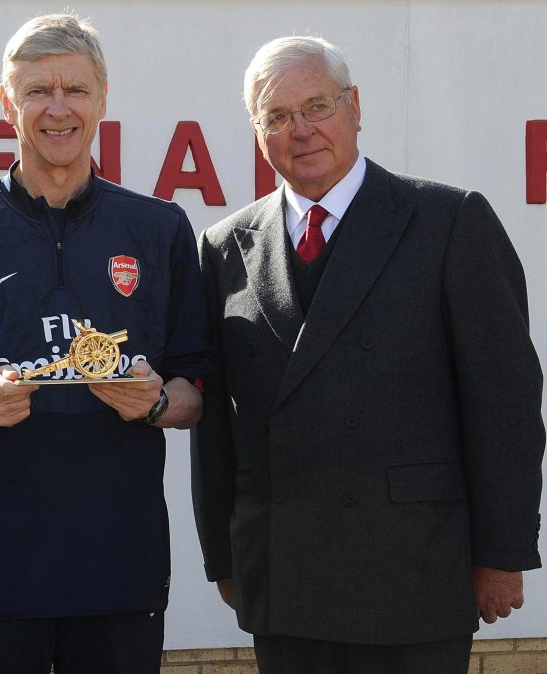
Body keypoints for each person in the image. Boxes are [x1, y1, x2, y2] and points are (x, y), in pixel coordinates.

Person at [191, 35, 545, 673]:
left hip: (413, 573)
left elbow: (505, 402)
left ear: (355, 106)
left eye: (318, 106)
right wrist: (225, 553)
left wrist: (502, 553)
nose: (300, 130)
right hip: (284, 574)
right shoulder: (225, 246)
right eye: (276, 117)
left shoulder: (447, 221)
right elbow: (217, 424)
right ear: (257, 133)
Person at [0, 13, 210, 674]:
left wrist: (152, 403)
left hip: (119, 568)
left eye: (74, 89)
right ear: (7, 103)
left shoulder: (159, 229)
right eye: (37, 91)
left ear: (103, 99)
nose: (57, 109)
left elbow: (195, 392)